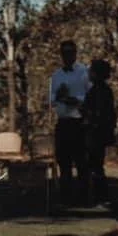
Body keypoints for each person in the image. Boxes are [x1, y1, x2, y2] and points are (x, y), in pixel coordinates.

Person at [48, 40, 91, 206]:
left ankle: (83, 198)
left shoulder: (84, 73)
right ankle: (66, 197)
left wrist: (75, 100)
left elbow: (90, 96)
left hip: (79, 122)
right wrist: (58, 96)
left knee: (81, 162)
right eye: (64, 52)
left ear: (75, 53)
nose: (67, 56)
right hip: (63, 122)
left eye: (70, 52)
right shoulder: (56, 75)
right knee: (63, 162)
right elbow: (51, 100)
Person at [84, 60, 118, 207]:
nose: (88, 73)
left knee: (94, 165)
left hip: (96, 133)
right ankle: (98, 196)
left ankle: (99, 197)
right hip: (99, 133)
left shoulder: (99, 91)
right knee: (95, 165)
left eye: (91, 70)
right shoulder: (102, 90)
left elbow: (97, 113)